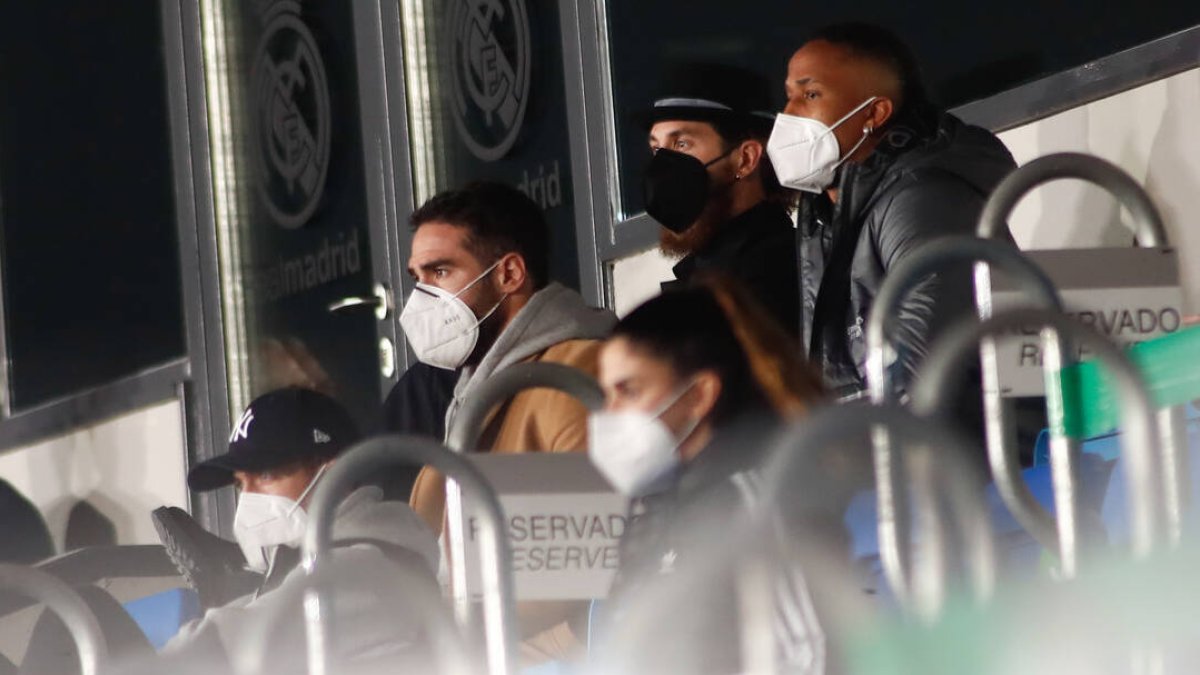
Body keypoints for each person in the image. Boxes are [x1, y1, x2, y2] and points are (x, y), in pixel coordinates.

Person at [589, 275, 829, 674]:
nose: (610, 414)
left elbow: (809, 657)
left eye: (628, 391)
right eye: (607, 395)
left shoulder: (761, 502)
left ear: (700, 394)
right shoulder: (659, 508)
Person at [766, 22, 1017, 399]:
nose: (789, 114)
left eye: (811, 94)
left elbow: (922, 371)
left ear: (874, 114)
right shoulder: (825, 211)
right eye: (788, 97)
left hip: (956, 446)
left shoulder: (923, 198)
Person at [160, 387, 440, 672]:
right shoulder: (350, 558)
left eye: (266, 475)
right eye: (240, 484)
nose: (248, 497)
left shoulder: (367, 568)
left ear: (331, 471)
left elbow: (228, 646)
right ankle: (236, 582)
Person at [401, 182, 617, 532]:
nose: (423, 296)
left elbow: (591, 545)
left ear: (509, 274)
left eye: (440, 272)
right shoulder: (471, 387)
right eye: (418, 277)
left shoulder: (577, 373)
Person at [639, 62, 801, 339]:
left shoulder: (777, 269)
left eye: (681, 144)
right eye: (657, 148)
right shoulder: (704, 270)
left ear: (746, 159)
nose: (663, 165)